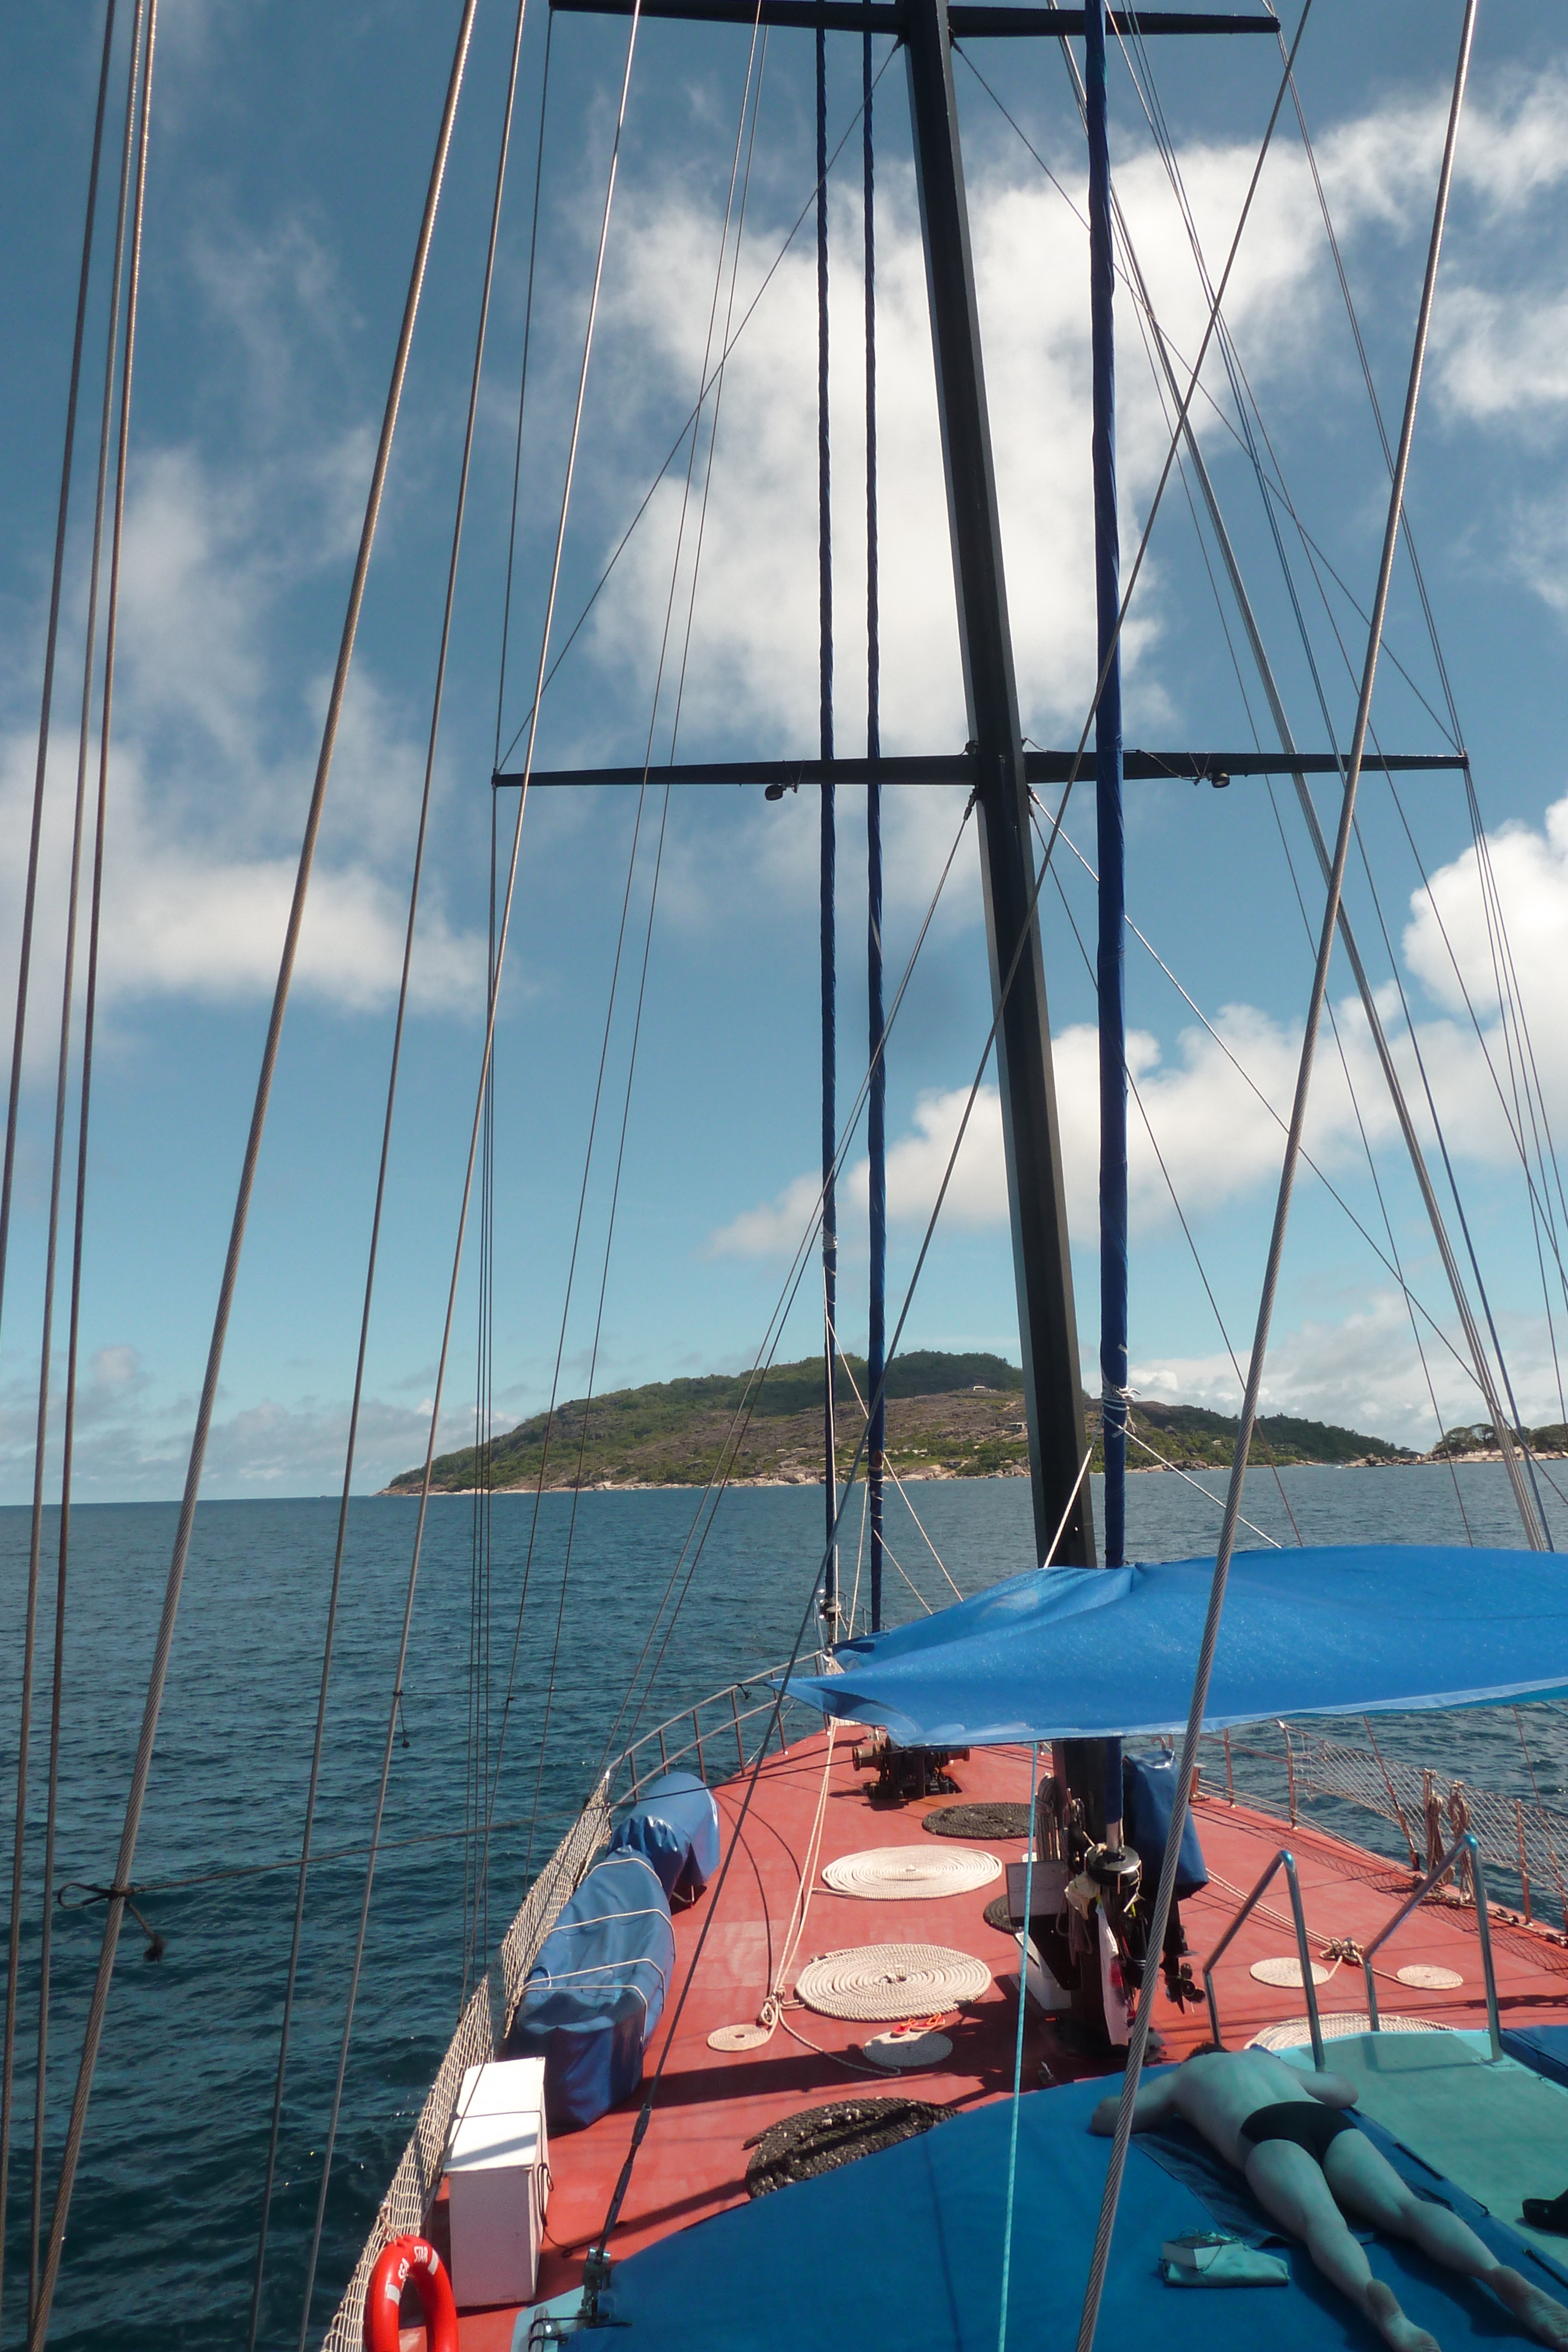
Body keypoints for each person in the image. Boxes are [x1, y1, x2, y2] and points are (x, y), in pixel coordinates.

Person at [1090, 2044, 1568, 2352]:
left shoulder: (1184, 2078)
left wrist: (1152, 2094)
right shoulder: (1264, 2061)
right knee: (1408, 2207)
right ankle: (1494, 2273)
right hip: (1320, 2118)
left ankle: (1382, 2308)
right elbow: (1346, 2090)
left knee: (1323, 2223)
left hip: (1264, 2132)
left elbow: (1109, 2119)